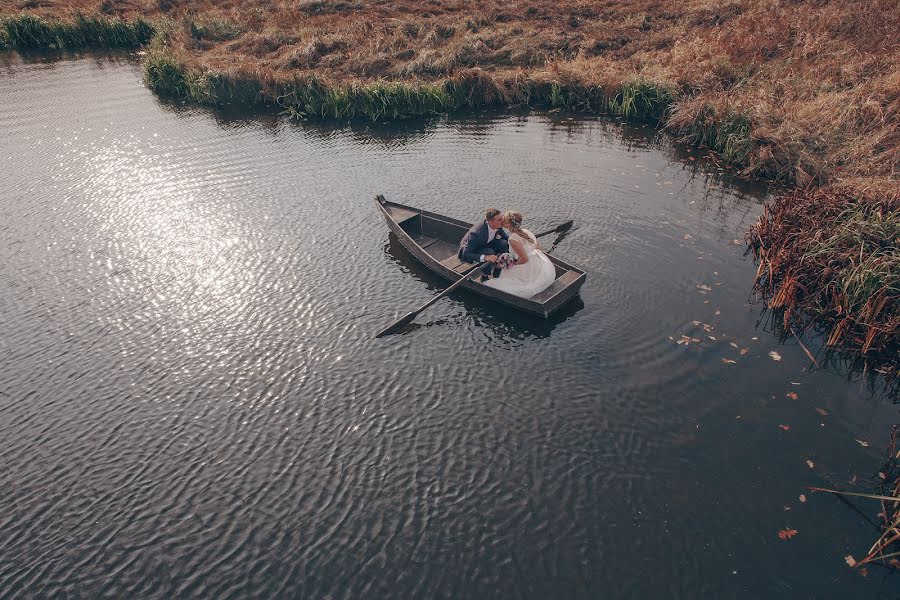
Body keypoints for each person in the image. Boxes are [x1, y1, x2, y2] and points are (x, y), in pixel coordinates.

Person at [483, 211, 556, 298]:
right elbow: (539, 247)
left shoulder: (513, 239)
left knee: (504, 274)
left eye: (503, 220)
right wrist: (530, 252)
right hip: (538, 262)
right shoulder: (526, 231)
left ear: (508, 225)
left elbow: (525, 259)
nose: (501, 222)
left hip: (527, 264)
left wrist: (513, 263)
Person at [458, 208, 509, 281]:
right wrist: (486, 257)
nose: (502, 221)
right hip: (471, 249)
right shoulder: (476, 233)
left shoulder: (497, 225)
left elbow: (505, 237)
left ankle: (498, 268)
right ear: (491, 222)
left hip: (485, 243)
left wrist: (516, 242)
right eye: (499, 219)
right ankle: (484, 276)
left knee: (504, 243)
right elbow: (466, 253)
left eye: (502, 218)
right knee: (488, 252)